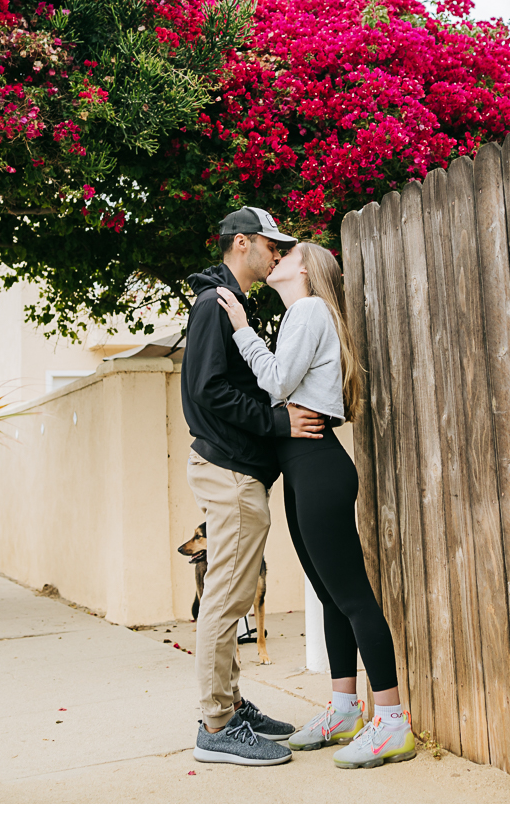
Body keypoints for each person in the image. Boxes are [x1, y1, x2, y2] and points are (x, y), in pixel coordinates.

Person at [217, 240, 416, 770]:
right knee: (329, 597)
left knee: (353, 598)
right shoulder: (303, 315)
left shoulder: (307, 309)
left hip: (318, 465)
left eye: (286, 252)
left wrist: (241, 331)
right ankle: (345, 711)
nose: (274, 255)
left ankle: (393, 723)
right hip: (305, 465)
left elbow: (279, 383)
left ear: (304, 267)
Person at [181, 206, 327, 766]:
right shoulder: (214, 307)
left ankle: (231, 706)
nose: (278, 254)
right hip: (230, 471)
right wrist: (277, 422)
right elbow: (208, 391)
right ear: (242, 243)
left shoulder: (231, 305)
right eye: (272, 245)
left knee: (233, 593)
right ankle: (216, 724)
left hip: (236, 469)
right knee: (226, 598)